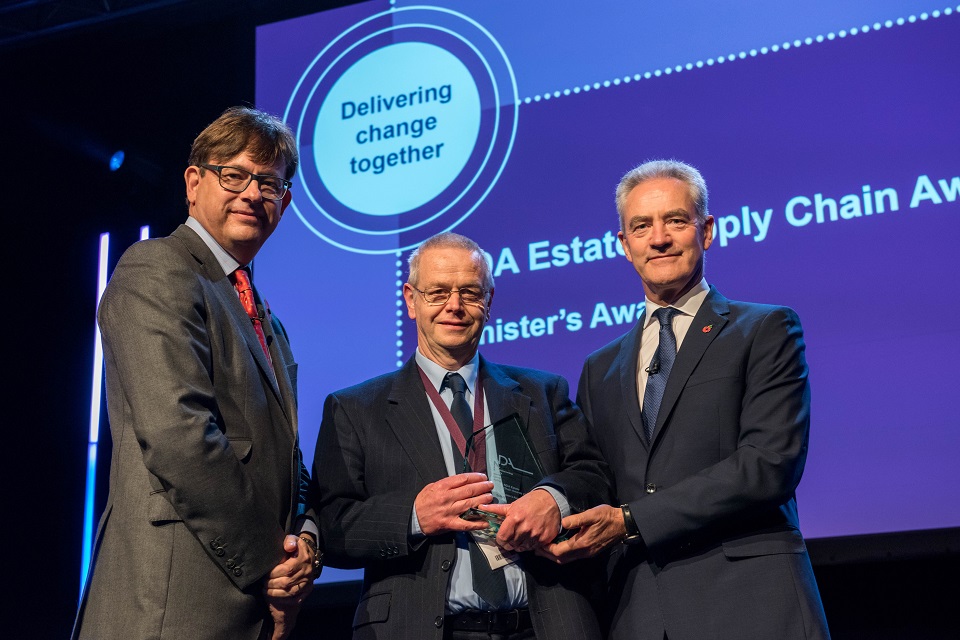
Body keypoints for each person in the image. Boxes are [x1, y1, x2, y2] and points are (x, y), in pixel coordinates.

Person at [543, 160, 831, 639]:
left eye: (675, 220)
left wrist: (632, 520)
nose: (659, 239)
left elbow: (768, 465)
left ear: (707, 230)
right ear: (624, 245)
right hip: (641, 615)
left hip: (752, 605)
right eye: (641, 226)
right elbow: (594, 477)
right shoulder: (601, 367)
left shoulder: (763, 329)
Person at [72, 106, 321, 640]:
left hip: (247, 607)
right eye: (234, 175)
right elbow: (179, 434)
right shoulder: (157, 267)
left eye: (270, 183)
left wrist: (306, 546)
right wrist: (270, 564)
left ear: (286, 203)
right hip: (172, 605)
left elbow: (288, 463)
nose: (253, 193)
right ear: (194, 182)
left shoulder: (267, 319)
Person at [311, 232, 612, 640]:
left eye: (469, 292)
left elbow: (594, 475)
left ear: (489, 302)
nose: (454, 306)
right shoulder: (355, 408)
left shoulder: (543, 391)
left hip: (543, 625)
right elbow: (332, 526)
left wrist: (552, 499)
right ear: (410, 299)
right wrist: (413, 516)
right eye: (437, 292)